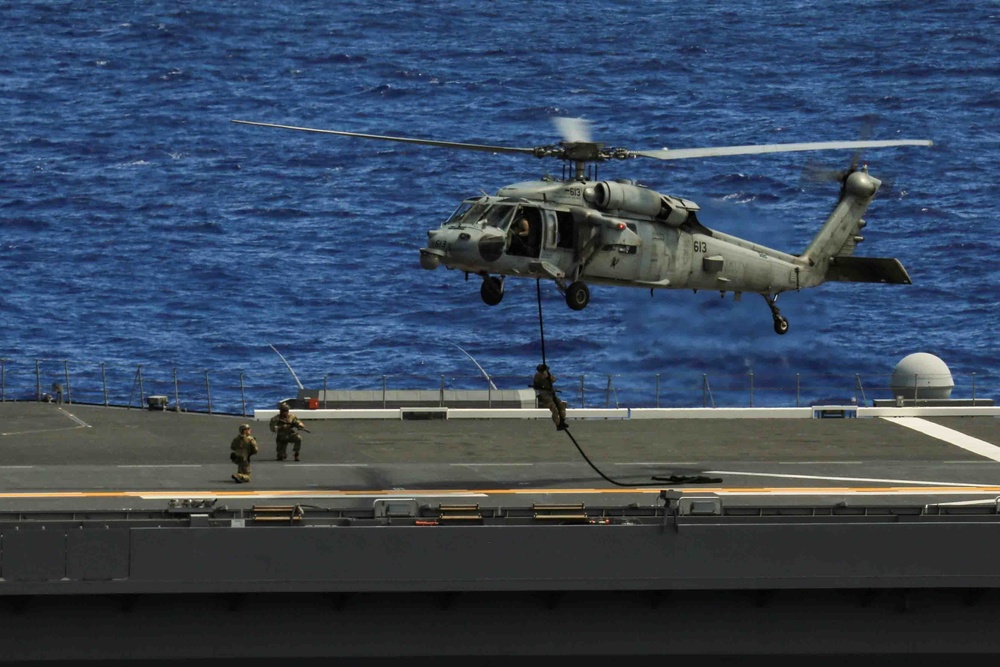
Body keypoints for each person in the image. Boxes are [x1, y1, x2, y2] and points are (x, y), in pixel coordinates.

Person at [532, 363, 568, 430]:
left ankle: (562, 421)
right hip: (544, 394)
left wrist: (549, 376)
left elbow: (553, 380)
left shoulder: (548, 374)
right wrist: (544, 376)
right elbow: (537, 384)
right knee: (554, 409)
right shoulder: (537, 376)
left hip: (551, 393)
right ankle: (558, 424)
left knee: (561, 405)